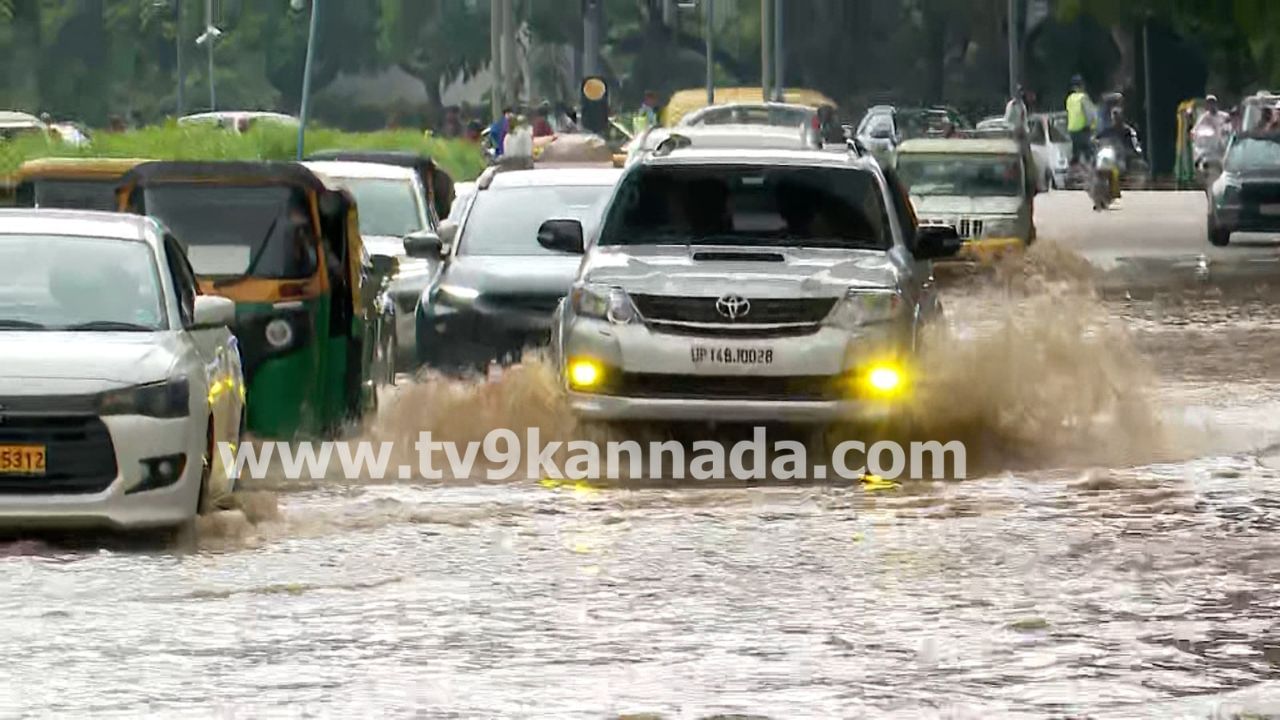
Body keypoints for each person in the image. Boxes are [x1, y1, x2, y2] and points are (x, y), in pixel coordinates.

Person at [1066, 75, 1097, 166]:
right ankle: (1091, 171)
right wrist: (1092, 127)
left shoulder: (1069, 99)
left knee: (1076, 155)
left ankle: (1074, 169)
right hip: (1083, 130)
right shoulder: (1083, 98)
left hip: (1072, 131)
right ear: (1081, 85)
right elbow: (1090, 114)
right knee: (1090, 155)